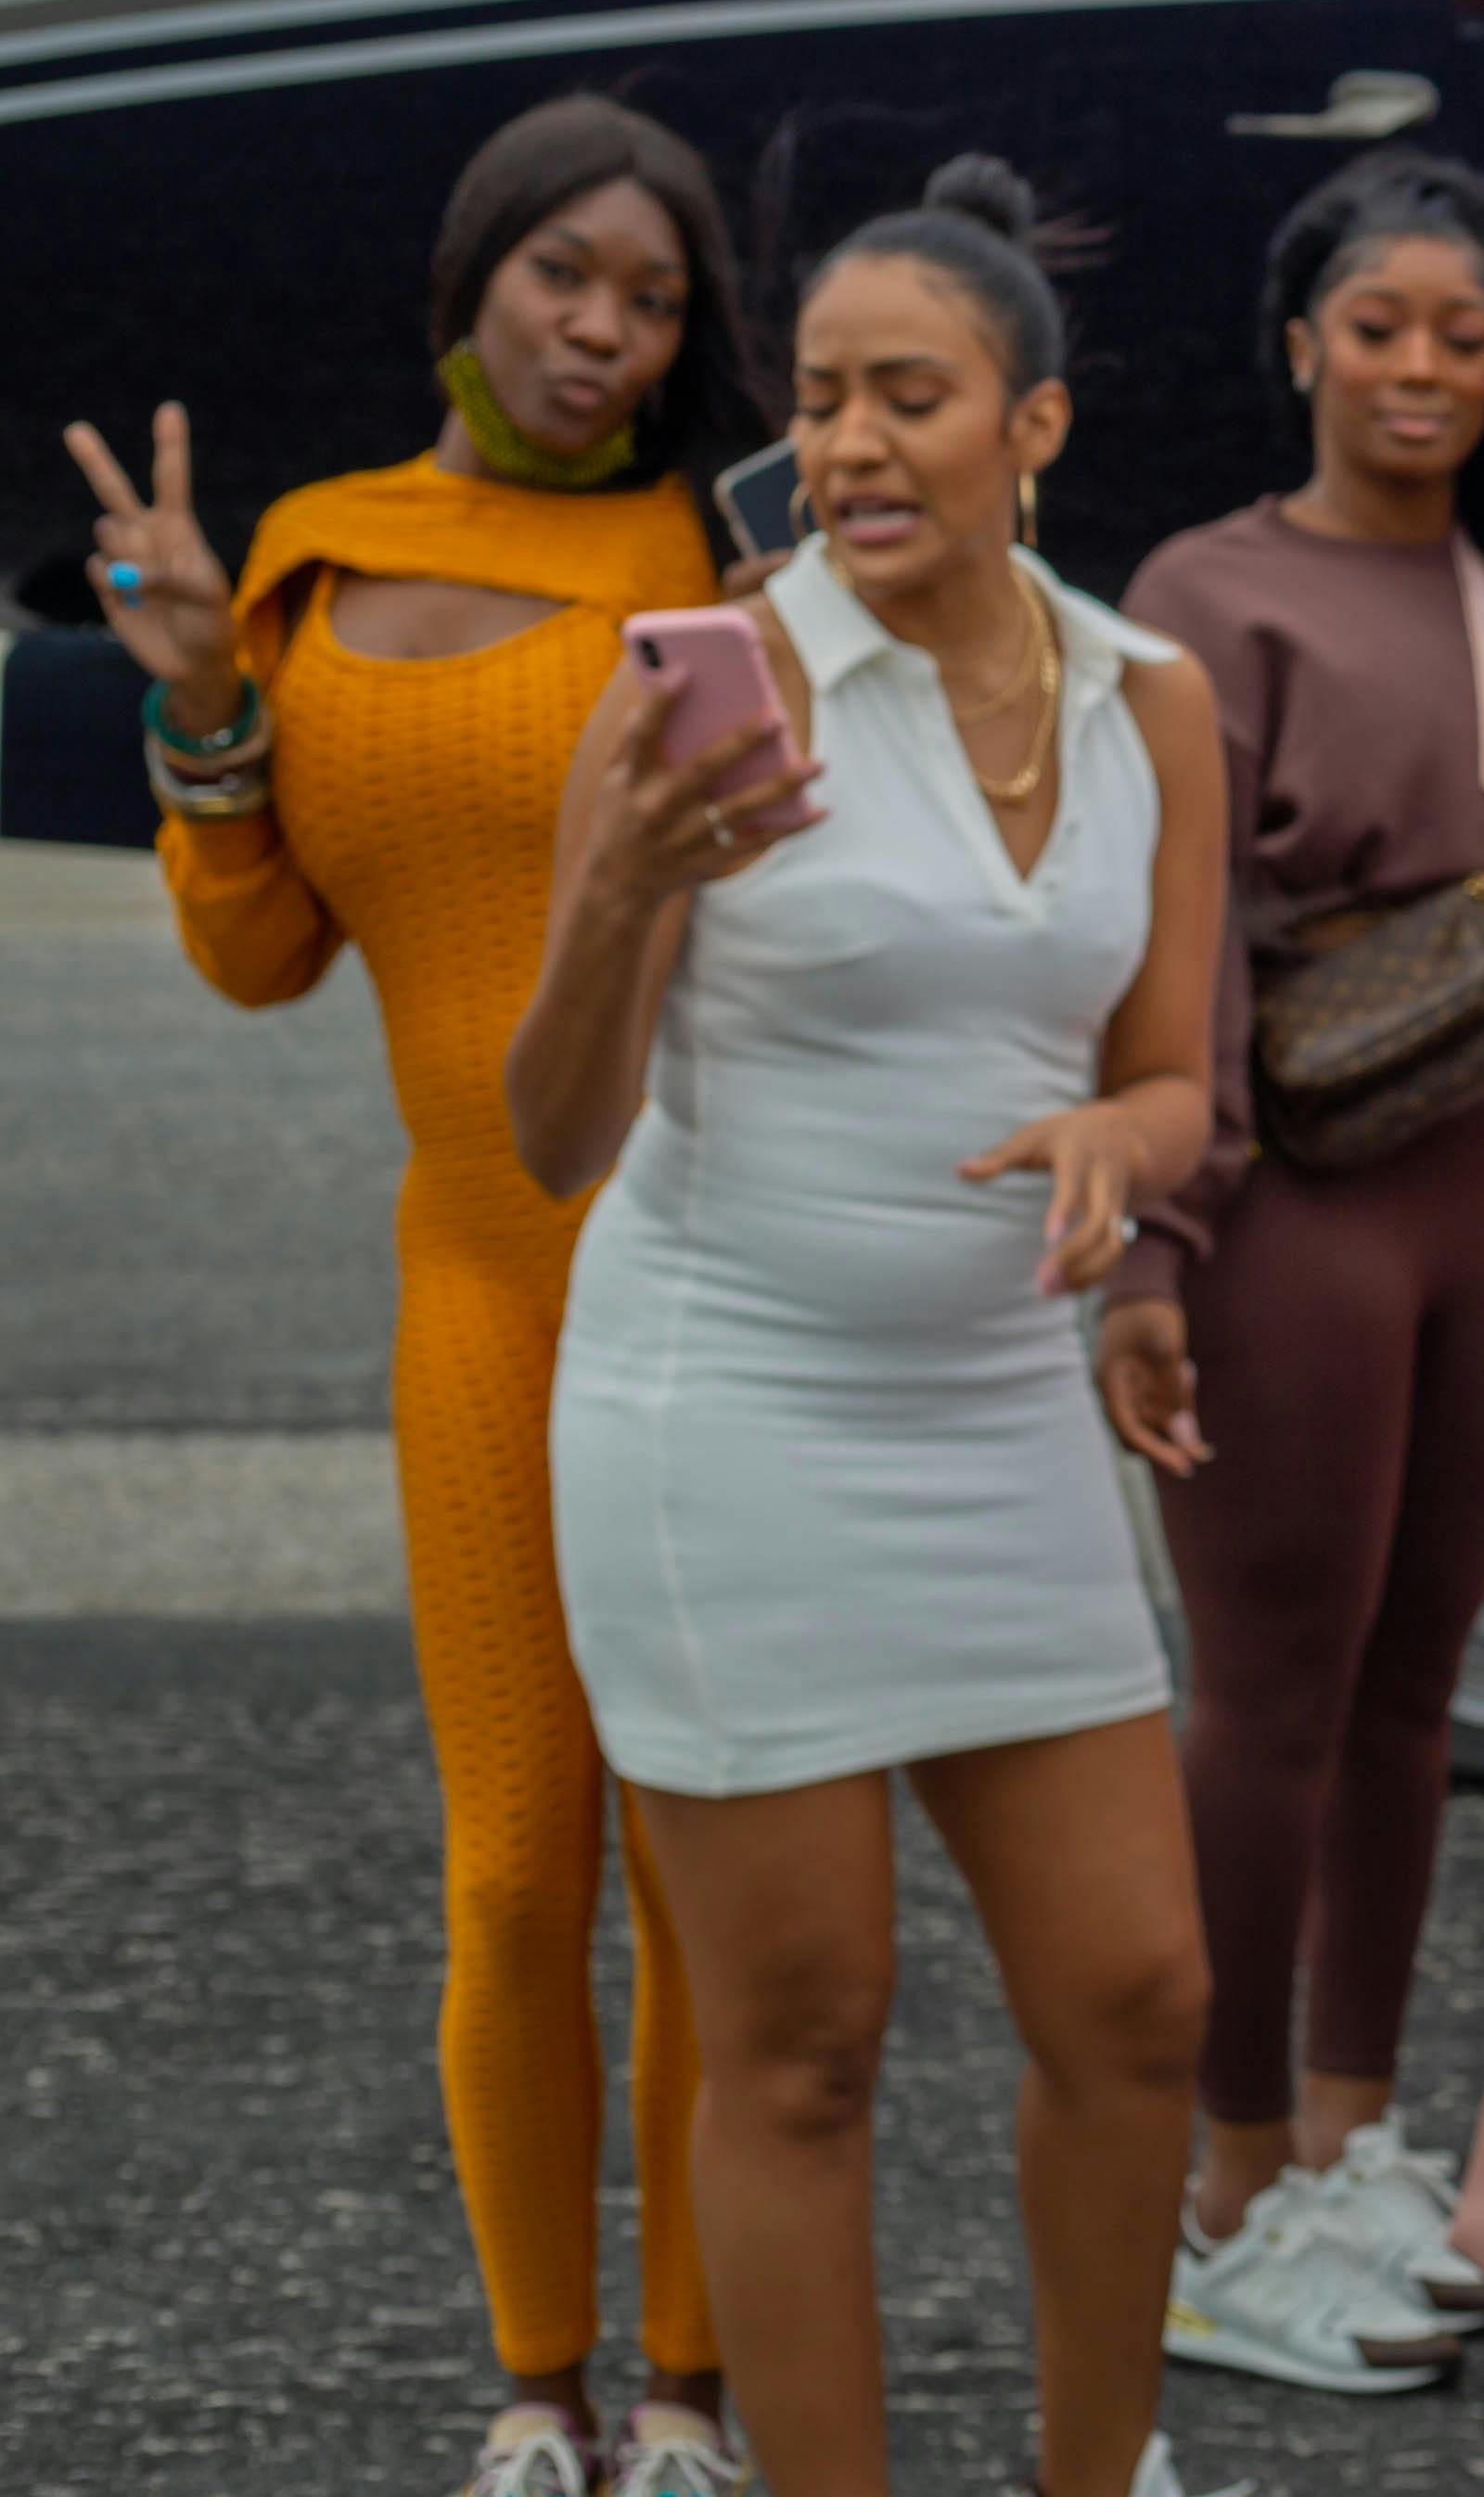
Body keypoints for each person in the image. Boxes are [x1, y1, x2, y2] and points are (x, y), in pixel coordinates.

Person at [502, 160, 1232, 2497]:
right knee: (801, 2045)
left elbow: (1170, 1064)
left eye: (907, 400)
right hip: (730, 1418)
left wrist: (1125, 1153)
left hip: (1000, 1412)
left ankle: (1089, 2481)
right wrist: (620, 885)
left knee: (1140, 2001)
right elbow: (549, 1131)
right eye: (817, 404)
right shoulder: (700, 691)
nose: (848, 451)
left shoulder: (1150, 698)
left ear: (1035, 424)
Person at [68, 93, 767, 2497]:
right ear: (474, 273)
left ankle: (690, 2393)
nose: (602, 328)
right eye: (567, 272)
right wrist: (194, 704)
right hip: (474, 1283)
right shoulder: (313, 553)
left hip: (711, 1289)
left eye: (655, 298)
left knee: (696, 1866)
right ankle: (537, 2388)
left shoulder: (721, 553)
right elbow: (258, 953)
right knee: (508, 1865)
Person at [1108, 147, 1484, 2386]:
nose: (1422, 364)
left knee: (1419, 1697)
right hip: (1288, 1204)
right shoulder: (1201, 592)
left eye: (1461, 331)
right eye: (1378, 326)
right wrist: (1157, 1239)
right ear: (1297, 345)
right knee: (1267, 1696)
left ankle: (1350, 2141)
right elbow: (1172, 960)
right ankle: (1223, 2182)